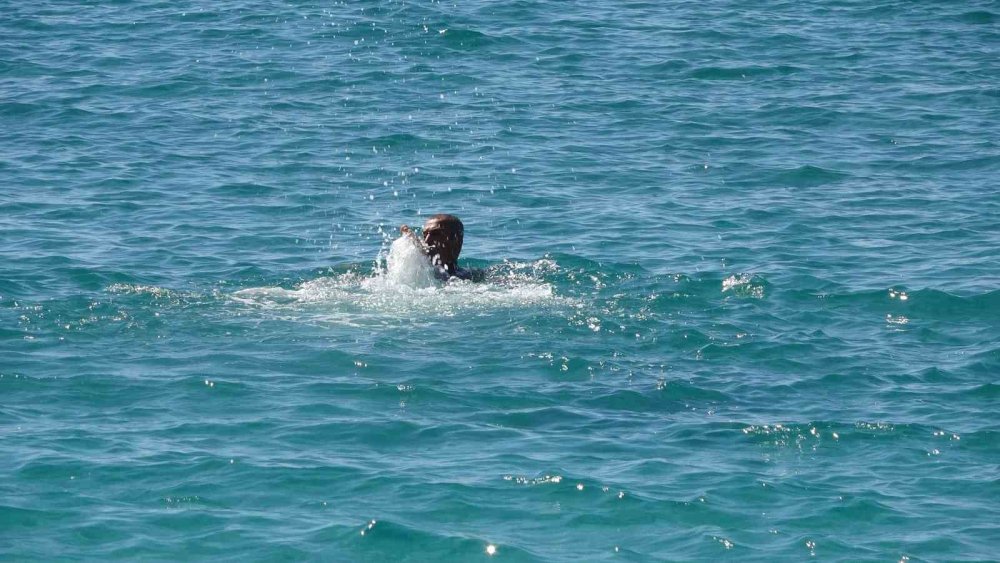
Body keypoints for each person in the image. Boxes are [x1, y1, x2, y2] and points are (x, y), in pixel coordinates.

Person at [399, 214, 480, 281]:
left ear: (455, 239)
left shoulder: (474, 275)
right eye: (425, 235)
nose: (427, 240)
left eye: (435, 234)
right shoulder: (411, 272)